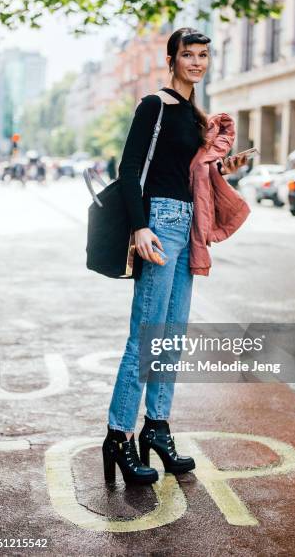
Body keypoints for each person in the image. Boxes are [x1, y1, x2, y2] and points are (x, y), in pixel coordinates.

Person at [102, 27, 248, 486]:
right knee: (144, 337)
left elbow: (187, 174)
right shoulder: (156, 106)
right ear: (172, 59)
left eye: (203, 55)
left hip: (189, 226)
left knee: (170, 337)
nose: (197, 63)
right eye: (189, 54)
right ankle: (119, 437)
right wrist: (140, 226)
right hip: (160, 224)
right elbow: (129, 171)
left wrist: (224, 167)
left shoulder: (193, 115)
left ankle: (157, 429)